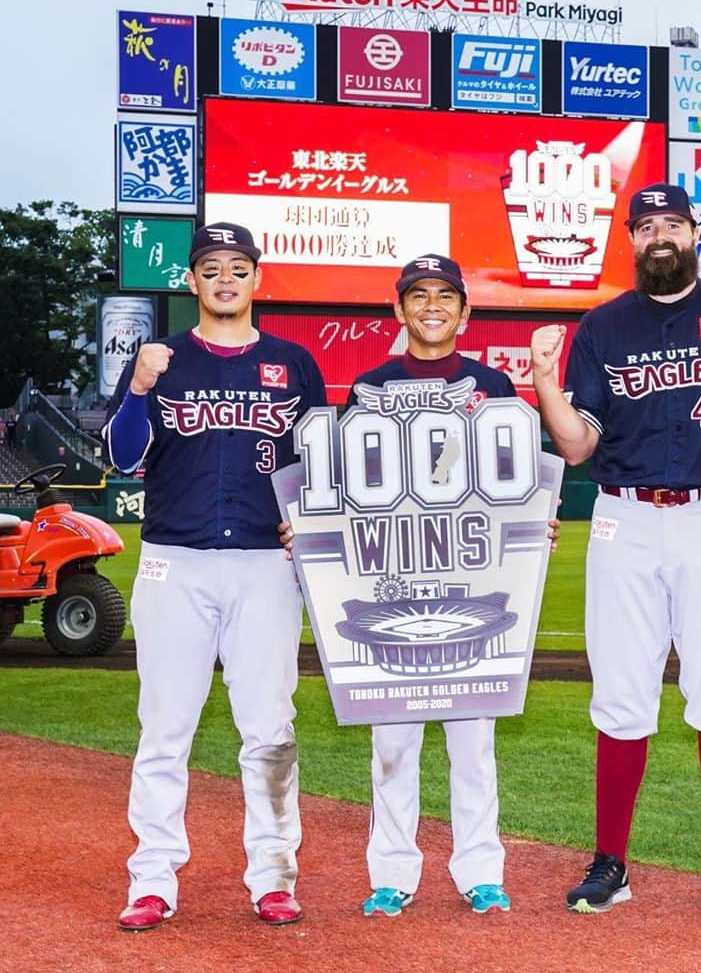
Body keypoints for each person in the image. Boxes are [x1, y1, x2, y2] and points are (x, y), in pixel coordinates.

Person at [530, 183, 701, 917]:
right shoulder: (604, 327)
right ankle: (611, 864)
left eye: (672, 224)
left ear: (693, 234)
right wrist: (541, 383)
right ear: (632, 239)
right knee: (621, 692)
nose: (659, 235)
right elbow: (578, 443)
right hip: (624, 518)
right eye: (646, 225)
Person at [284, 255, 546, 918]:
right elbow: (338, 485)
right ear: (399, 310)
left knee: (473, 743)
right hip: (394, 585)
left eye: (445, 296)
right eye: (418, 296)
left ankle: (481, 870)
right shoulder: (369, 388)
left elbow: (513, 484)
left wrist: (536, 523)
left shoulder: (492, 386)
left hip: (470, 577)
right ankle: (392, 874)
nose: (432, 306)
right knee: (393, 746)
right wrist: (308, 530)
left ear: (464, 311)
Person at [103, 223, 327, 931]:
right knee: (164, 728)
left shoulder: (294, 364)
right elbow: (120, 453)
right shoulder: (160, 361)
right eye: (210, 268)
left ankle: (274, 874)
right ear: (192, 282)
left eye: (237, 267)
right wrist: (138, 387)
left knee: (270, 728)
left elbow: (321, 465)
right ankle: (153, 878)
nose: (225, 279)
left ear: (256, 279)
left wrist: (309, 516)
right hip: (177, 563)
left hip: (266, 566)